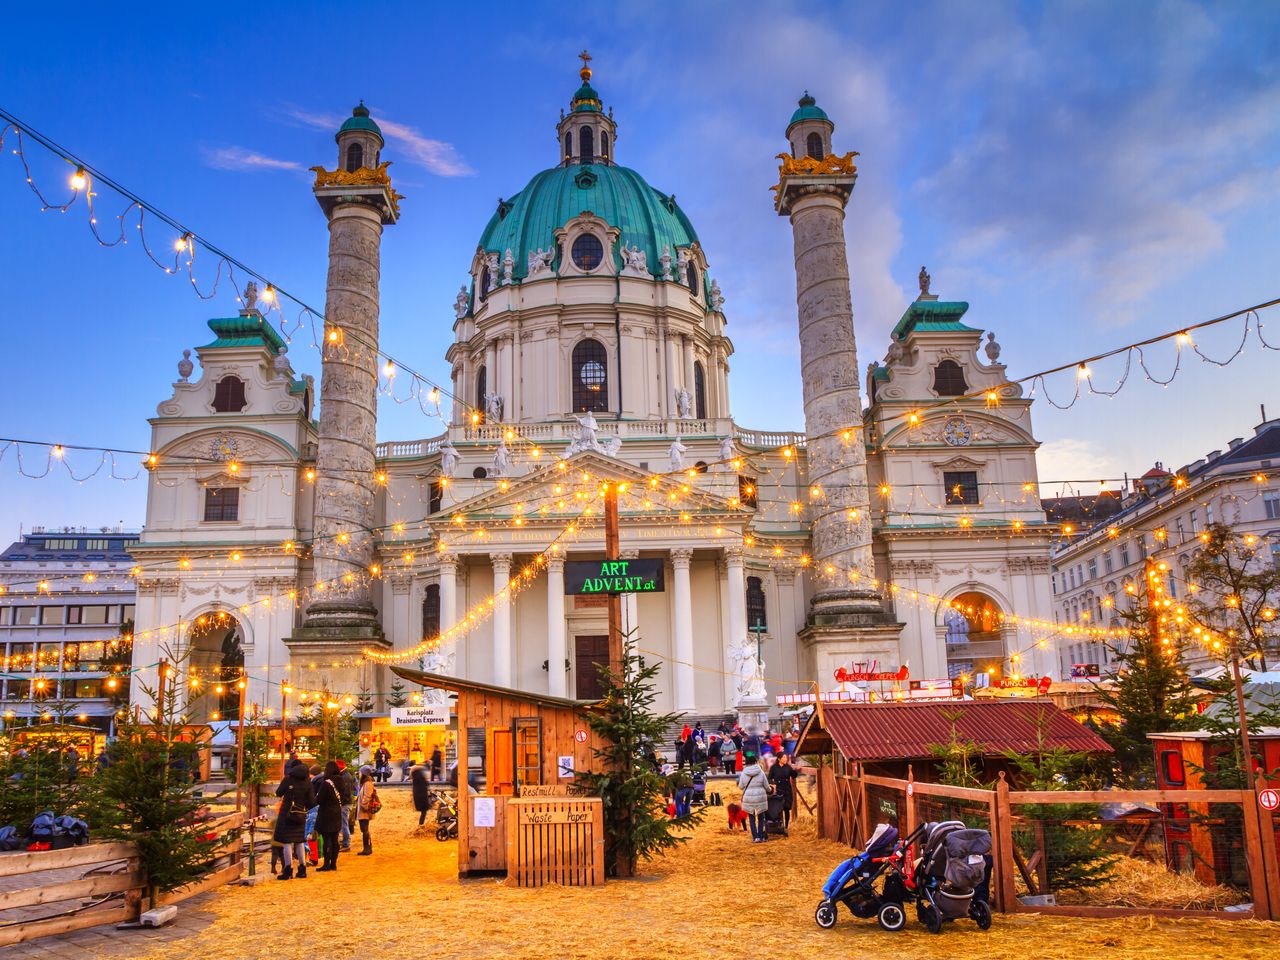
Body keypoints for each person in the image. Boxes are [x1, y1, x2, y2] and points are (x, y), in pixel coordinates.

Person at [274, 759, 315, 879]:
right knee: (300, 841)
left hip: (287, 814)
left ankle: (288, 869)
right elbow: (312, 801)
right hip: (301, 814)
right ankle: (302, 869)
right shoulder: (308, 781)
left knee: (287, 842)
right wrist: (303, 807)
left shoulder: (288, 779)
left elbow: (278, 793)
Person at [313, 760, 347, 872]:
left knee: (327, 839)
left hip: (326, 814)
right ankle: (334, 864)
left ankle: (326, 864)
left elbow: (319, 800)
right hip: (337, 812)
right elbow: (343, 797)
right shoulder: (341, 781)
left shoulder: (326, 783)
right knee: (335, 839)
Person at [737, 752, 770, 843]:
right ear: (756, 762)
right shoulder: (761, 772)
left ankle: (755, 837)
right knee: (761, 817)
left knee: (751, 818)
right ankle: (760, 836)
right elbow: (766, 786)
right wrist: (770, 789)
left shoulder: (744, 773)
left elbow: (740, 787)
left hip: (749, 798)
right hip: (760, 797)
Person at [767, 751, 799, 830]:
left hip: (787, 789)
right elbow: (769, 778)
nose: (785, 759)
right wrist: (775, 783)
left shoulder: (788, 767)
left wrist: (795, 769)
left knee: (787, 808)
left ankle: (786, 826)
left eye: (786, 757)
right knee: (778, 808)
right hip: (779, 789)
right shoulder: (774, 768)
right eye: (784, 757)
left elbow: (794, 775)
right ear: (779, 759)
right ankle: (779, 825)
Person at [356, 771, 377, 855]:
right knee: (364, 829)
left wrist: (364, 805)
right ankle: (367, 847)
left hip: (365, 811)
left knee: (365, 829)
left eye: (360, 772)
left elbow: (367, 795)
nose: (359, 774)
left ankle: (367, 848)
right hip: (363, 810)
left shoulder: (368, 783)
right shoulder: (365, 783)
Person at [336, 759, 355, 851]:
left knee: (344, 824)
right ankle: (343, 842)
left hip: (345, 804)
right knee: (343, 823)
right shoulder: (346, 775)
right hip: (346, 803)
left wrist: (340, 802)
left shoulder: (345, 777)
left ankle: (346, 844)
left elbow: (345, 792)